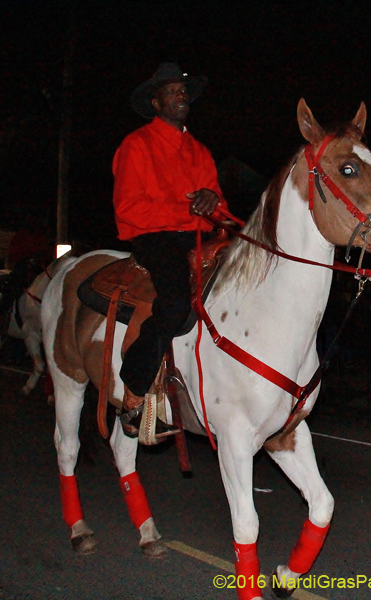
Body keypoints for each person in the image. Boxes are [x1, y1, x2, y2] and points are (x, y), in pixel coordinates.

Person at [112, 62, 227, 435]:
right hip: (153, 236)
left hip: (196, 236)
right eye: (172, 90)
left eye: (184, 90)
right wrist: (186, 210)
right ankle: (134, 388)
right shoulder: (136, 145)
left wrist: (212, 202)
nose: (181, 95)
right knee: (176, 302)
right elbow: (128, 207)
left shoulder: (200, 151)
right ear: (156, 102)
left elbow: (219, 208)